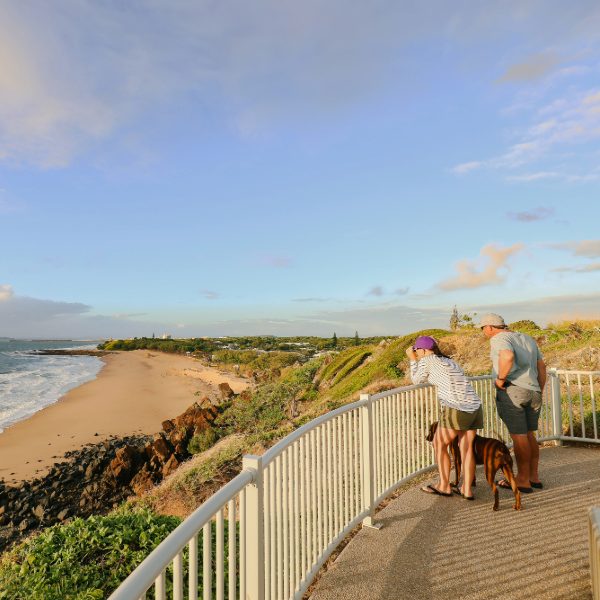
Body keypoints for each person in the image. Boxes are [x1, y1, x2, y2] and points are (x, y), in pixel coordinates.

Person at [406, 335, 483, 500]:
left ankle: (444, 485)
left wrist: (412, 360)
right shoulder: (450, 361)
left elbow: (416, 379)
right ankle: (467, 489)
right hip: (474, 406)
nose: (416, 352)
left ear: (425, 350)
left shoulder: (428, 360)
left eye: (416, 349)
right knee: (467, 448)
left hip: (456, 407)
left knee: (438, 444)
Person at [479, 313, 547, 493]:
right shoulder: (527, 338)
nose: (484, 332)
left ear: (490, 327)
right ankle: (534, 477)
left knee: (519, 436)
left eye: (483, 328)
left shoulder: (499, 339)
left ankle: (522, 480)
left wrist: (500, 379)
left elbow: (507, 356)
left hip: (513, 390)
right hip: (534, 391)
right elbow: (542, 366)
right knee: (529, 434)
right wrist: (538, 388)